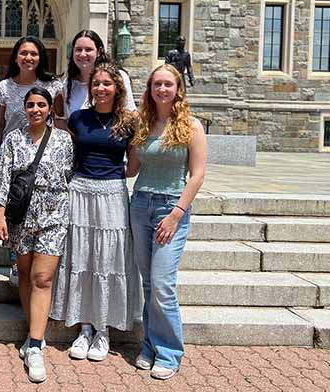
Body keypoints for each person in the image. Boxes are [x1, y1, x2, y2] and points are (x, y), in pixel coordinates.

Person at [49, 63, 142, 362]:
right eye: (96, 84)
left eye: (106, 84)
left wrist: (116, 174)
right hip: (80, 191)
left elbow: (133, 165)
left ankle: (103, 330)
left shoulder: (129, 122)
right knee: (82, 256)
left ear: (117, 88)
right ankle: (84, 328)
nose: (100, 88)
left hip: (112, 194)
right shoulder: (79, 119)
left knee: (107, 258)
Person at [127, 64, 207, 380]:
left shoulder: (191, 126)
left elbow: (198, 175)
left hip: (170, 209)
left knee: (162, 284)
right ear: (149, 89)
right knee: (148, 283)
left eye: (167, 85)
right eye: (157, 84)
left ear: (177, 90)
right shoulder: (143, 124)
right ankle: (149, 346)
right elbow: (131, 169)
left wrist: (176, 214)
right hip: (141, 203)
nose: (162, 89)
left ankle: (171, 353)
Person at [0, 87, 74, 383]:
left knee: (42, 278)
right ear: (24, 108)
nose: (36, 109)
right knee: (24, 275)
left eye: (41, 104)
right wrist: (0, 215)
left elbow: (68, 177)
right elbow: (3, 178)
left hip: (53, 213)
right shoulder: (13, 139)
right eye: (30, 105)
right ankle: (32, 331)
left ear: (50, 108)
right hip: (20, 215)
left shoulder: (64, 140)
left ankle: (37, 345)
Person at [54, 29, 136, 130]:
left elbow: (130, 114)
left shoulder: (119, 76)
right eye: (78, 49)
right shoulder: (69, 83)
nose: (82, 54)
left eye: (88, 49)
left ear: (99, 51)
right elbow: (68, 121)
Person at [0, 36, 63, 145]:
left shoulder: (53, 85)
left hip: (45, 148)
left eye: (34, 54)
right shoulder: (4, 87)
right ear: (15, 58)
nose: (28, 57)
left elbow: (60, 119)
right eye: (23, 53)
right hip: (12, 149)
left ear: (40, 58)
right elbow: (0, 125)